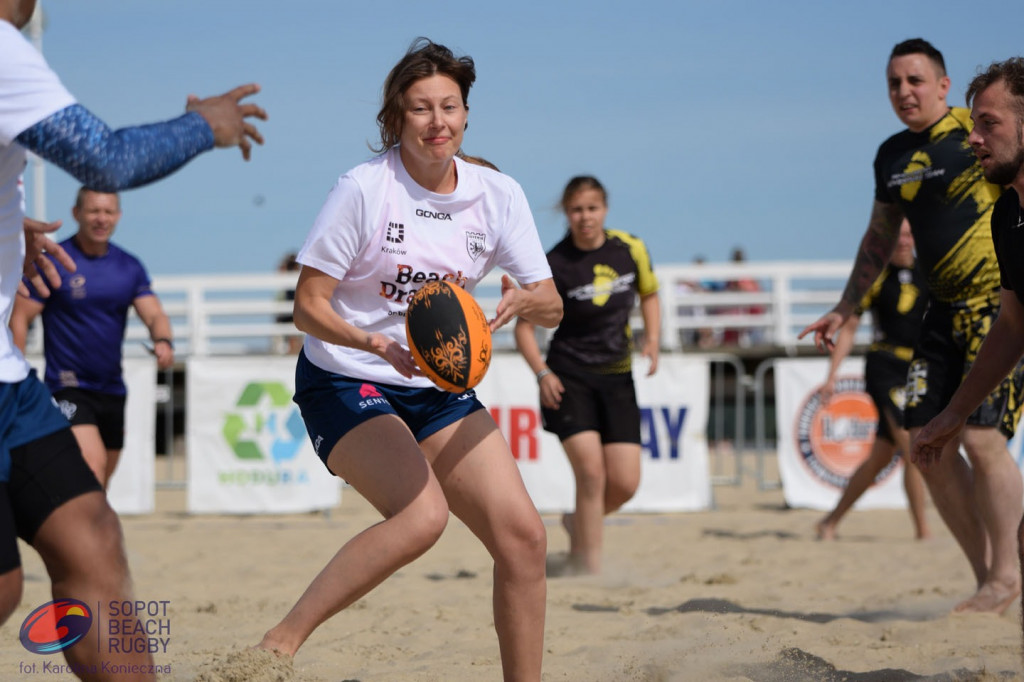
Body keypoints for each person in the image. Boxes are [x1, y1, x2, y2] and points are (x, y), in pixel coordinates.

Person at [253, 38, 561, 682]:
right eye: (420, 108)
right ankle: (278, 644)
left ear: (467, 114)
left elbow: (553, 304)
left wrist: (521, 304)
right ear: (395, 118)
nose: (437, 121)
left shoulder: (498, 195)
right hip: (346, 375)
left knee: (524, 539)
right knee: (423, 517)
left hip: (439, 384)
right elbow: (308, 306)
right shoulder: (364, 190)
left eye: (449, 106)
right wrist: (374, 343)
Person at [0, 0, 266, 677]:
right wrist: (202, 125)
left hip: (11, 386)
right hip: (49, 386)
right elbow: (105, 157)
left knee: (93, 540)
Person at [801, 38, 1023, 614]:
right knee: (928, 448)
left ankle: (1006, 573)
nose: (904, 91)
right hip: (939, 313)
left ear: (944, 86)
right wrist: (847, 306)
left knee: (980, 437)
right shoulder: (892, 155)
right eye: (894, 83)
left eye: (916, 80)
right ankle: (988, 581)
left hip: (994, 306)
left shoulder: (976, 133)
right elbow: (878, 237)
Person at [913, 56, 1024, 631]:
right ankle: (994, 577)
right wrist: (952, 413)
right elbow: (1012, 326)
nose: (973, 138)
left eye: (989, 124)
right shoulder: (1009, 212)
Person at [515, 175, 661, 575]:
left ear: (605, 209)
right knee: (591, 474)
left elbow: (650, 294)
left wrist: (653, 339)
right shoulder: (555, 264)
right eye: (577, 209)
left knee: (626, 484)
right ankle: (588, 570)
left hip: (618, 377)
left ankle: (578, 522)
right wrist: (542, 373)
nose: (585, 217)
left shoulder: (630, 249)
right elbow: (524, 328)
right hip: (569, 378)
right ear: (566, 213)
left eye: (592, 208)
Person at [10, 188, 175, 488]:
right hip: (68, 386)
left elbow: (153, 314)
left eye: (108, 212)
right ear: (77, 214)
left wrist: (163, 340)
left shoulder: (129, 266)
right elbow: (19, 317)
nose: (101, 219)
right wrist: (15, 375)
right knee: (92, 467)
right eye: (94, 211)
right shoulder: (56, 261)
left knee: (99, 484)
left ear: (118, 216)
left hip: (112, 388)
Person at [808, 220, 931, 541]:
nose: (903, 241)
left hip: (917, 369)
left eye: (908, 233)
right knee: (912, 446)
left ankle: (830, 522)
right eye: (898, 233)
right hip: (884, 365)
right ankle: (924, 532)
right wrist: (831, 376)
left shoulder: (930, 271)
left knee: (880, 457)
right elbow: (848, 329)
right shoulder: (876, 276)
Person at [275, 251, 303, 354]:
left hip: (292, 301)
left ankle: (294, 352)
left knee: (294, 331)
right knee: (291, 332)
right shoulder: (288, 271)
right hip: (289, 301)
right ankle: (292, 352)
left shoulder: (295, 271)